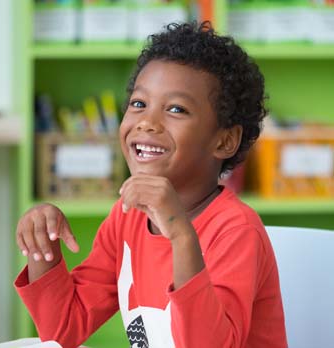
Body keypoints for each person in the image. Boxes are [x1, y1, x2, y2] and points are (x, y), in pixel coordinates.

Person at [15, 21, 287, 348]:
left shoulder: (236, 230)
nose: (146, 121)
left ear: (224, 140)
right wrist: (43, 246)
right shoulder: (127, 216)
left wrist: (180, 234)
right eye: (138, 103)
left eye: (176, 109)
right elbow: (64, 329)